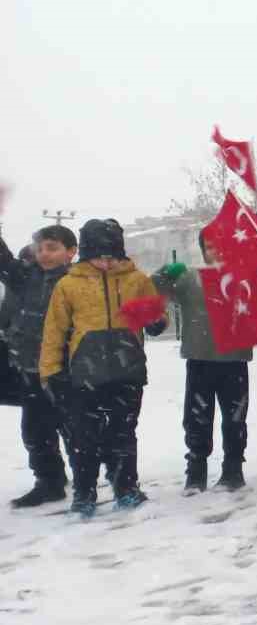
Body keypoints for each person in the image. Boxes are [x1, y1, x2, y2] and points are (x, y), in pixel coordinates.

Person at [39, 219, 163, 518]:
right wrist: (50, 371)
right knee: (84, 438)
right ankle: (84, 493)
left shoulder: (137, 280)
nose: (106, 263)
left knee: (124, 433)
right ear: (86, 254)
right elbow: (54, 331)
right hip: (86, 374)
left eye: (112, 257)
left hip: (127, 370)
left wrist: (156, 319)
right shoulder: (68, 285)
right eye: (99, 257)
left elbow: (156, 316)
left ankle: (126, 488)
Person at [154, 235, 257, 495]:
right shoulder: (190, 278)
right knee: (196, 419)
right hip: (199, 358)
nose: (216, 251)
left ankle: (233, 470)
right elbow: (154, 287)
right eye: (210, 247)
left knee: (235, 419)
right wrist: (167, 271)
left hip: (234, 360)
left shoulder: (244, 277)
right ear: (203, 251)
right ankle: (196, 472)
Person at [1, 227, 76, 507]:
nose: (44, 254)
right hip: (31, 370)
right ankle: (49, 482)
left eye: (52, 248)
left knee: (74, 430)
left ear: (71, 252)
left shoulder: (78, 280)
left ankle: (85, 479)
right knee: (35, 431)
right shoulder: (25, 277)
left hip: (66, 371)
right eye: (40, 248)